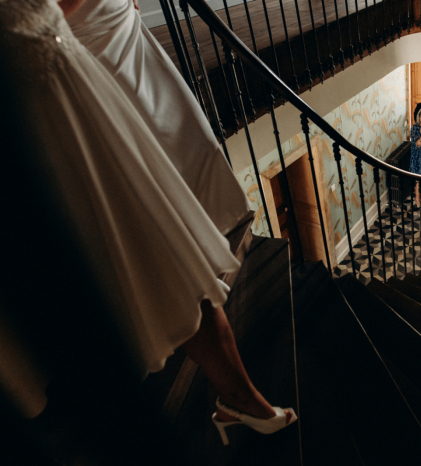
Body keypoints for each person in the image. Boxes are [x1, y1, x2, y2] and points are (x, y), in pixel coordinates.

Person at [2, 0, 296, 440]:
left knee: (151, 241)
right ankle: (229, 396)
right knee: (151, 259)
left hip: (69, 79)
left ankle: (230, 394)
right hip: (48, 99)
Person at [68, 0, 250, 237]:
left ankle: (222, 213)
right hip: (87, 27)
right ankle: (184, 230)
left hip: (119, 18)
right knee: (138, 132)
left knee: (178, 120)